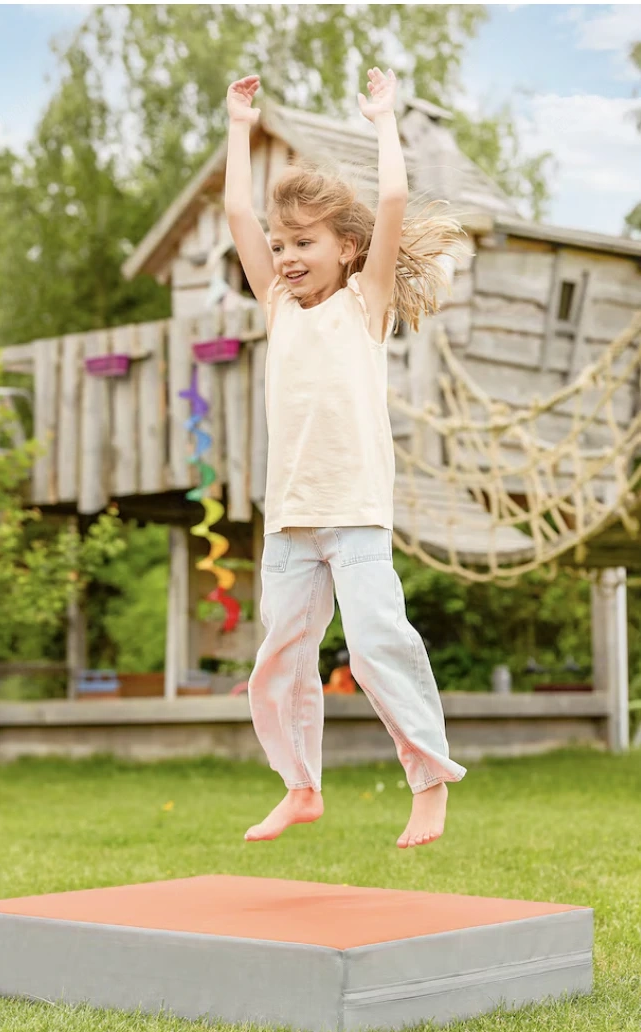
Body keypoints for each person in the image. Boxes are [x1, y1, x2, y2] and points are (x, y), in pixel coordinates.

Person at [224, 68, 468, 849]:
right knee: (277, 660)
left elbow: (393, 201)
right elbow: (236, 211)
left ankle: (429, 779)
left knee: (374, 646)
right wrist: (240, 127)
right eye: (281, 244)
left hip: (355, 515)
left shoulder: (367, 305)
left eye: (304, 244)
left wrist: (383, 116)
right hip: (292, 521)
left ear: (348, 250)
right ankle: (301, 785)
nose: (288, 257)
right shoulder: (275, 308)